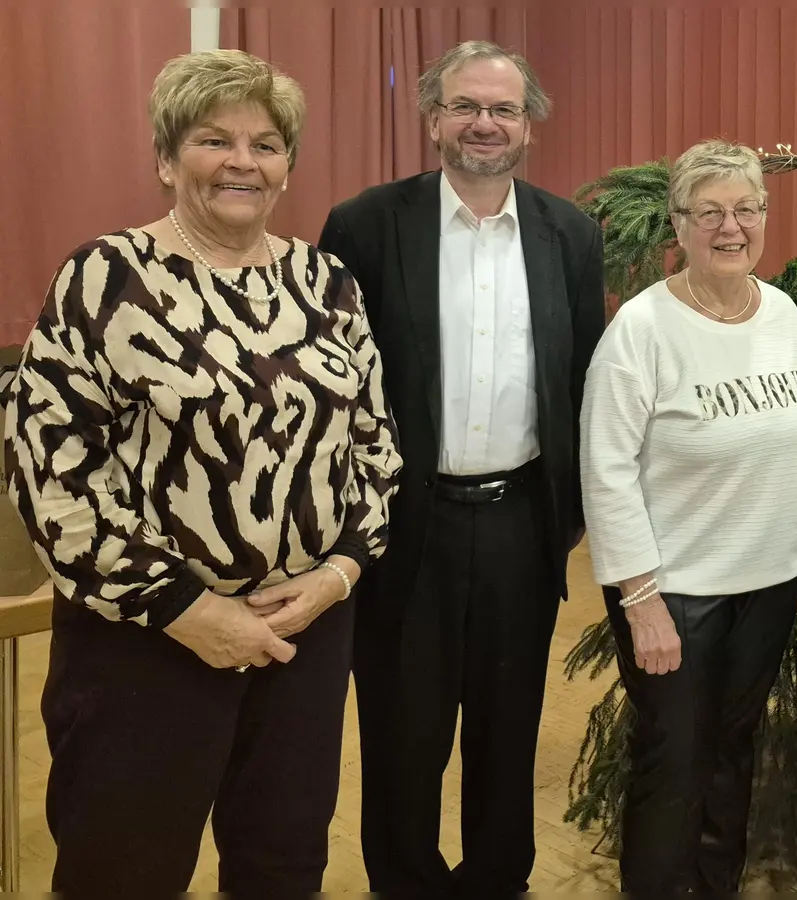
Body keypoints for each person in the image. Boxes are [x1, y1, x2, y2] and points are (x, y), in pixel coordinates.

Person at [1, 50, 400, 891]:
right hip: (146, 643)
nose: (241, 162)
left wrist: (336, 575)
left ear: (288, 166)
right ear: (165, 158)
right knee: (124, 871)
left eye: (265, 144)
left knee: (282, 865)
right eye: (214, 140)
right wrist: (189, 610)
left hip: (303, 635)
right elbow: (51, 477)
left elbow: (375, 448)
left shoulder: (326, 280)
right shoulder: (106, 277)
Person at [316, 41, 604, 892]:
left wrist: (568, 516)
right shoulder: (365, 225)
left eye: (503, 109)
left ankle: (497, 879)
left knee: (509, 731)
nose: (485, 123)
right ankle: (405, 881)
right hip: (404, 525)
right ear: (433, 119)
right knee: (402, 734)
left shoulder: (569, 234)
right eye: (466, 107)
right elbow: (333, 382)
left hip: (522, 523)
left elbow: (582, 380)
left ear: (529, 125)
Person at [579, 139, 797, 891]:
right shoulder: (642, 329)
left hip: (769, 581)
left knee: (733, 749)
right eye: (711, 212)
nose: (732, 227)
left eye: (747, 209)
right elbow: (606, 470)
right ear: (679, 224)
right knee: (675, 762)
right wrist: (639, 598)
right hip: (676, 591)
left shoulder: (780, 311)